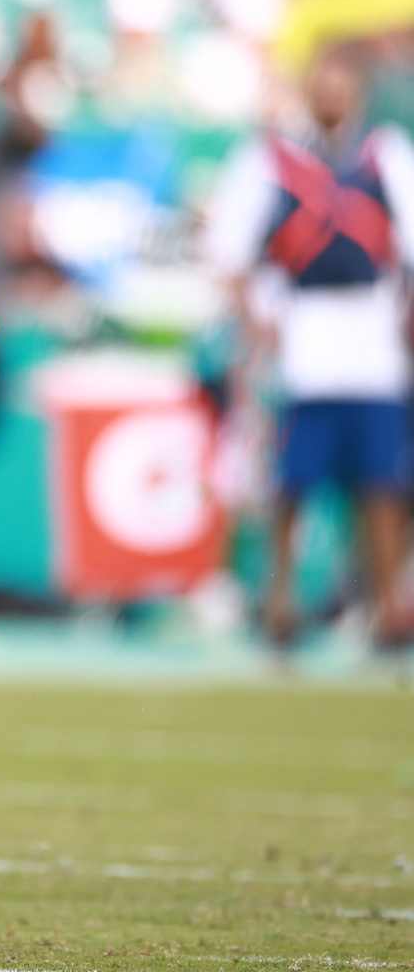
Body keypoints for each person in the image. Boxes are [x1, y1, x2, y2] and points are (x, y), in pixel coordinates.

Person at [206, 46, 414, 650]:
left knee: (380, 477)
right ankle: (279, 598)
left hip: (371, 332)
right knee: (291, 480)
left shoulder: (385, 155)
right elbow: (231, 250)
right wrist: (255, 319)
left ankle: (385, 604)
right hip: (300, 330)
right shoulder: (271, 159)